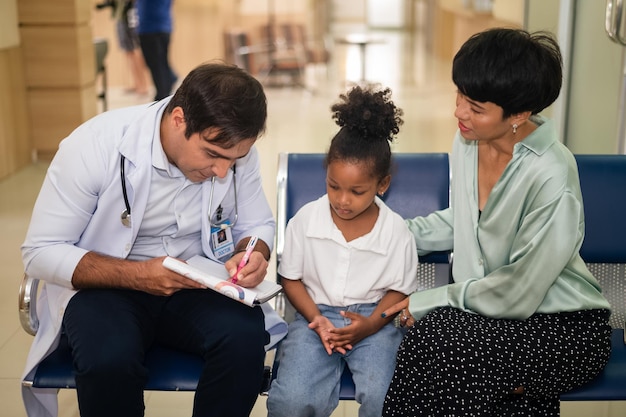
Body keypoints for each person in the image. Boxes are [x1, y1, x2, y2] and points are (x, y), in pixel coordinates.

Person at [21, 62, 286, 417]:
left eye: (233, 160)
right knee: (108, 361)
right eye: (212, 155)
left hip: (196, 281)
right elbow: (40, 252)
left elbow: (257, 223)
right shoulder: (96, 145)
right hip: (105, 287)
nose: (222, 171)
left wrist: (251, 252)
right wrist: (140, 275)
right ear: (179, 119)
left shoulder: (234, 152)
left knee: (244, 341)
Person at [381, 28, 612, 416]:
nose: (459, 112)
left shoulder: (551, 174)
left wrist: (433, 299)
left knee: (443, 342)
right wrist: (384, 234)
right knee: (452, 354)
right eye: (459, 95)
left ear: (519, 114)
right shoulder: (468, 142)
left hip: (562, 327)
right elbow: (467, 221)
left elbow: (517, 291)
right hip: (486, 317)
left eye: (475, 106)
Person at [267, 85, 419, 417]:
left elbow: (398, 292)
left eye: (357, 191)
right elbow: (290, 279)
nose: (342, 200)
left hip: (375, 319)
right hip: (314, 316)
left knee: (386, 397)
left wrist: (369, 325)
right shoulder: (306, 220)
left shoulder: (396, 231)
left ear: (382, 185)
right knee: (292, 400)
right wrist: (316, 318)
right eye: (333, 186)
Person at [96, 0, 149, 95]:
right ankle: (137, 83)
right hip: (121, 15)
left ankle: (143, 85)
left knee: (135, 50)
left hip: (130, 14)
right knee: (128, 51)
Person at [135, 0, 177, 101]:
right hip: (164, 26)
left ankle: (162, 96)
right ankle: (168, 83)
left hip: (150, 28)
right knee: (162, 62)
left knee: (155, 65)